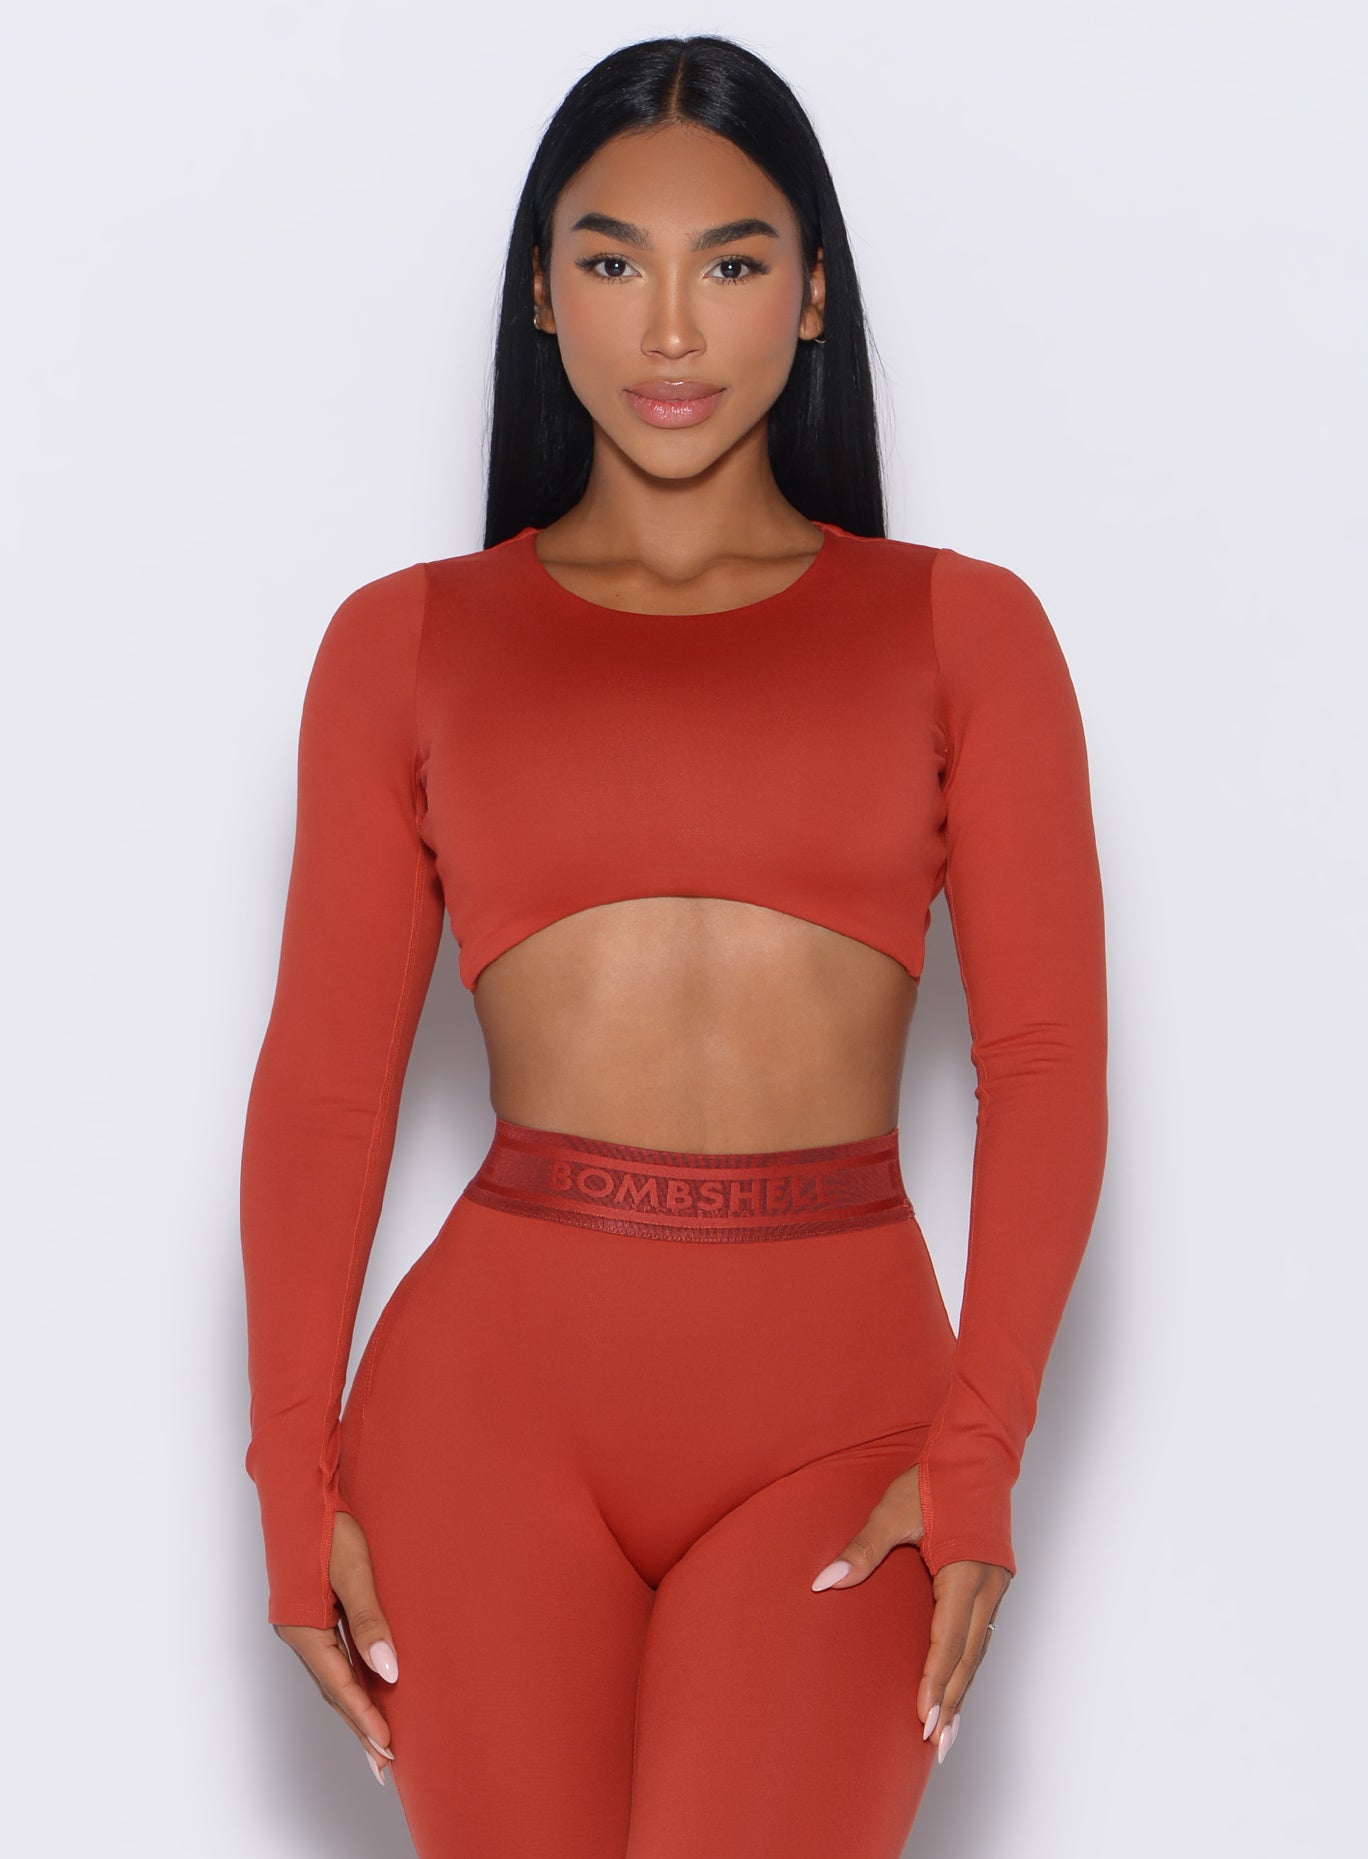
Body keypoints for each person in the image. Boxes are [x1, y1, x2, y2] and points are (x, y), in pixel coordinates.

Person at [238, 32, 1108, 1859]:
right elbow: (325, 1091)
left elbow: (1044, 1069)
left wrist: (977, 1450)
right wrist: (288, 1473)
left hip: (844, 1426)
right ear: (542, 295)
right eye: (613, 258)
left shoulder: (966, 634)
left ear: (814, 295)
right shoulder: (404, 645)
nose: (672, 328)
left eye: (732, 259)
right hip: (484, 1423)